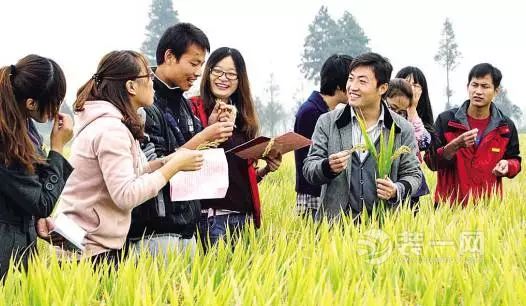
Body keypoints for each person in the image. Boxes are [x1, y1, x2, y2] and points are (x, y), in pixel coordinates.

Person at [47, 50, 203, 266]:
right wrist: (173, 167)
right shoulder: (111, 129)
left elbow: (126, 175)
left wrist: (163, 163)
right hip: (90, 252)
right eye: (148, 76)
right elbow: (125, 194)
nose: (152, 81)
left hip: (89, 245)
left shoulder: (109, 123)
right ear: (130, 86)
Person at [127, 23, 234, 256]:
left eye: (201, 65)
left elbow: (193, 152)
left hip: (187, 226)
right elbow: (149, 167)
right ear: (169, 56)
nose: (198, 72)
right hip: (154, 231)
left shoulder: (183, 103)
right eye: (194, 63)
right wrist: (204, 136)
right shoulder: (144, 103)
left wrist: (210, 127)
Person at [303, 52, 422, 221]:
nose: (352, 87)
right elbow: (309, 168)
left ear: (382, 88)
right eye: (351, 79)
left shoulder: (402, 129)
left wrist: (396, 189)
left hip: (383, 231)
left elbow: (414, 174)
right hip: (333, 232)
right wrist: (327, 166)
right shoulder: (328, 123)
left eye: (362, 81)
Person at [189, 47, 282, 249]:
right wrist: (210, 129)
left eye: (231, 74)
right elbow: (185, 161)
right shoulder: (193, 108)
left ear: (240, 80)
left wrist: (266, 169)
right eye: (218, 72)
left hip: (243, 219)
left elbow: (239, 176)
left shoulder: (244, 118)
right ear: (208, 73)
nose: (224, 78)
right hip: (211, 219)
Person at [0, 55, 73, 278]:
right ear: (31, 103)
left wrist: (35, 220)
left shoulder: (21, 126)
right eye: (55, 101)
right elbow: (42, 201)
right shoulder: (6, 139)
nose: (57, 108)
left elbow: (27, 194)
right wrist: (58, 148)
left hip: (16, 240)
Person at [424, 63, 521, 205]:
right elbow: (431, 162)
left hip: (488, 210)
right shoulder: (446, 121)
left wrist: (508, 165)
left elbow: (515, 160)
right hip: (448, 211)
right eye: (474, 85)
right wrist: (454, 146)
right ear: (467, 87)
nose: (478, 91)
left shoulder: (505, 127)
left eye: (485, 86)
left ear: (496, 91)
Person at [293, 54, 353, 218]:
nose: (355, 88)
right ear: (341, 85)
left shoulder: (329, 111)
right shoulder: (311, 112)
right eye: (351, 81)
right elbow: (309, 160)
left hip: (325, 190)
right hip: (313, 193)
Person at [385, 78, 430, 206]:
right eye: (392, 109)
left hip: (407, 188)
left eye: (401, 112)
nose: (397, 116)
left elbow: (424, 142)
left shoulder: (406, 126)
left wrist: (412, 110)